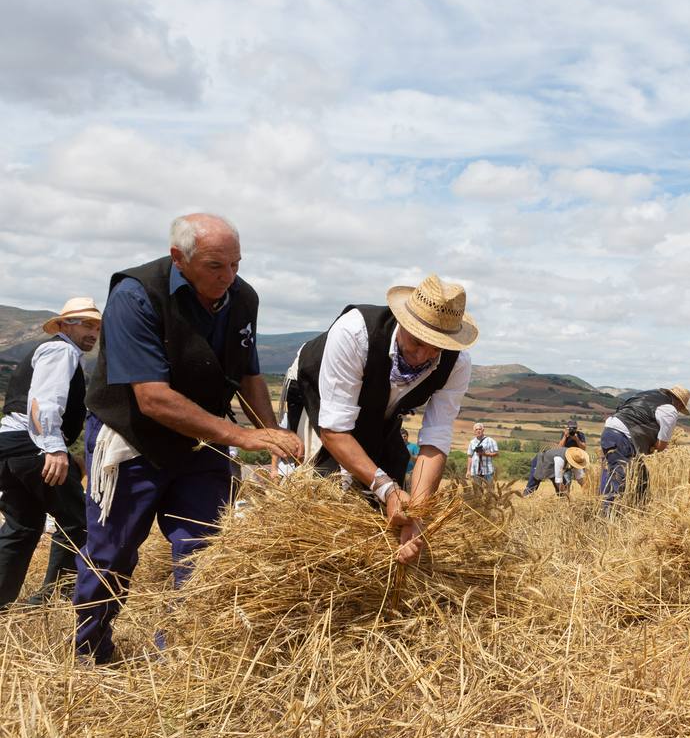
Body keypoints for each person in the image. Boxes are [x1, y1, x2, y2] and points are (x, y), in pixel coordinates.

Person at [73, 214, 304, 664]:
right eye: (216, 266)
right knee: (112, 553)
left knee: (203, 549)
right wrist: (243, 435)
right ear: (180, 258)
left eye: (236, 264)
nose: (229, 277)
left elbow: (249, 373)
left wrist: (271, 434)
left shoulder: (242, 298)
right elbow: (153, 399)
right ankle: (90, 652)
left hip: (202, 443)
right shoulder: (135, 295)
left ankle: (179, 655)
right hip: (132, 439)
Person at [287, 275, 475, 564]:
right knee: (320, 484)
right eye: (416, 341)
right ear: (402, 322)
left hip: (381, 410)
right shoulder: (355, 333)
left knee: (387, 485)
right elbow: (334, 429)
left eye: (435, 347)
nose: (422, 356)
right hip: (316, 392)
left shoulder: (456, 364)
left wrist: (416, 515)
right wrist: (387, 489)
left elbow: (435, 439)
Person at [0, 298, 101, 608]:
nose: (93, 332)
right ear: (65, 325)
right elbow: (43, 403)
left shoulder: (58, 351)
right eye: (86, 324)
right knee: (80, 522)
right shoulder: (61, 351)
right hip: (34, 447)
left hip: (10, 445)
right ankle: (51, 599)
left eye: (96, 326)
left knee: (23, 526)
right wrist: (55, 450)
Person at [599, 386, 690, 511]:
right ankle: (607, 517)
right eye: (681, 408)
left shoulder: (645, 395)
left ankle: (639, 510)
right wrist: (652, 447)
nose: (679, 411)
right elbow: (662, 445)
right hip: (623, 438)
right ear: (679, 403)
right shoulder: (670, 410)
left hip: (610, 433)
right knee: (618, 479)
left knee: (641, 476)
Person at [523, 445, 589, 496]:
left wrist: (586, 491)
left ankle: (563, 504)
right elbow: (558, 481)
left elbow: (580, 478)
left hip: (553, 466)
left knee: (564, 485)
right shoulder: (560, 459)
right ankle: (524, 499)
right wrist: (566, 495)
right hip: (541, 462)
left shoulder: (577, 458)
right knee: (533, 484)